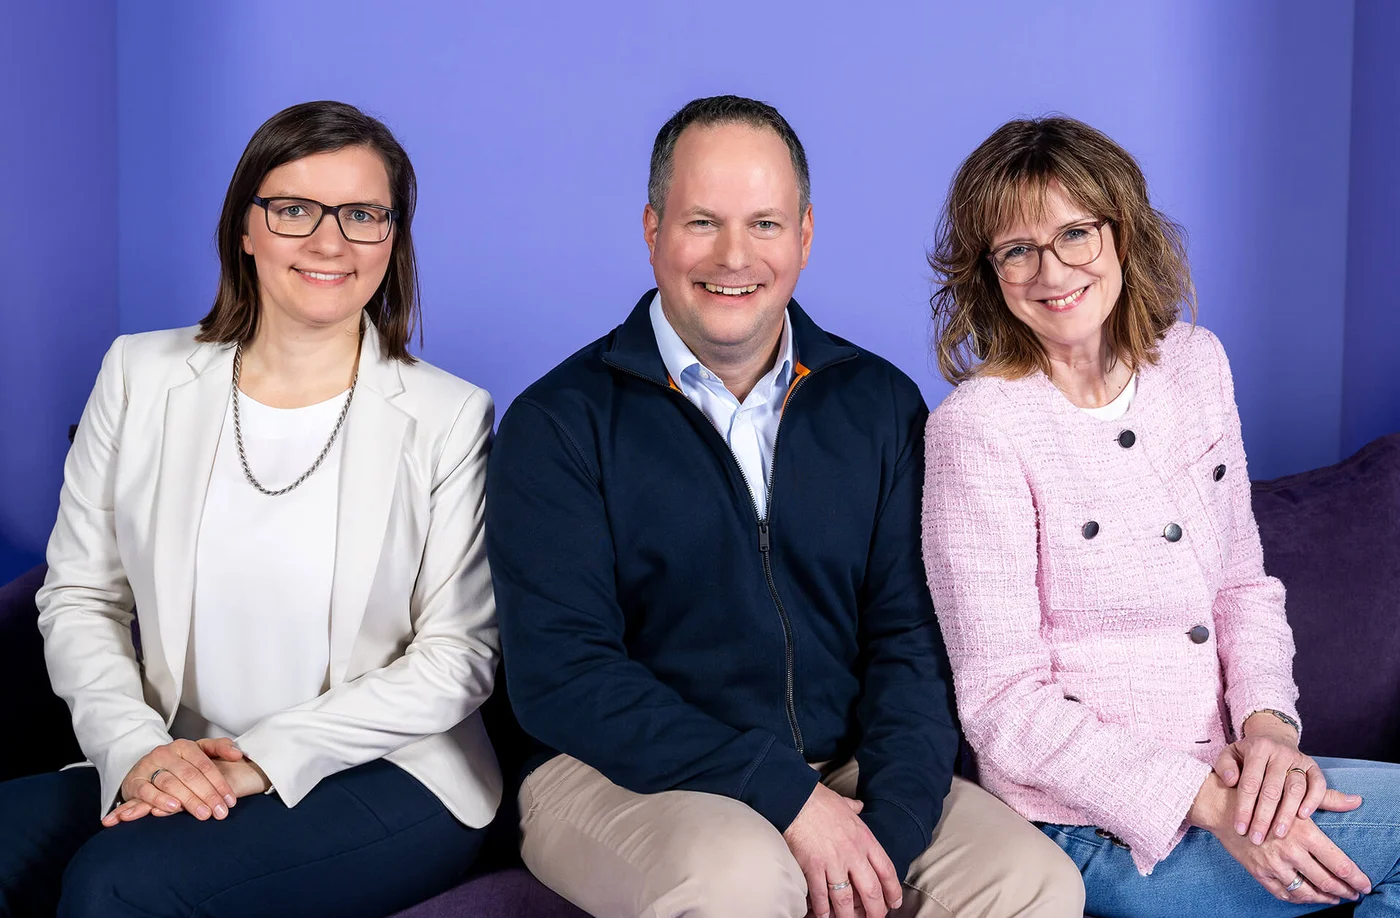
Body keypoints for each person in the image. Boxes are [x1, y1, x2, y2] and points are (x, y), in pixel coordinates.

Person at [486, 95, 1083, 918]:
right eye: (703, 221)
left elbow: (911, 643)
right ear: (652, 228)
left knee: (1035, 883)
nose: (735, 256)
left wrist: (893, 828)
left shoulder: (878, 404)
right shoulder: (556, 423)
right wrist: (785, 799)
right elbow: (563, 678)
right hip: (613, 776)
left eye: (764, 224)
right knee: (739, 879)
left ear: (804, 235)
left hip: (844, 768)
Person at [0, 101, 500, 917]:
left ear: (393, 239)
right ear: (244, 227)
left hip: (388, 775)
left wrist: (258, 760)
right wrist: (137, 751)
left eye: (363, 215)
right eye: (295, 209)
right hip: (173, 748)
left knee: (118, 883)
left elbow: (459, 658)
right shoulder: (138, 375)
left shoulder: (449, 417)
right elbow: (81, 595)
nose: (329, 242)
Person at [921, 115, 1400, 917]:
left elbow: (1242, 586)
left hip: (1235, 772)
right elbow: (1003, 703)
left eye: (1076, 233)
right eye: (1017, 250)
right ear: (988, 273)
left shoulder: (1195, 363)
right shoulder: (978, 429)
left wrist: (1271, 735)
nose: (1052, 270)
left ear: (1123, 235)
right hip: (1092, 826)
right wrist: (1209, 805)